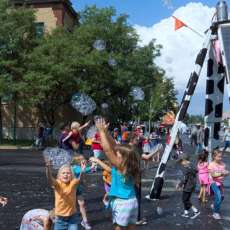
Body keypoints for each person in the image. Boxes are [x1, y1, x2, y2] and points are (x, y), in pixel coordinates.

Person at [95, 118, 140, 230]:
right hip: (133, 201)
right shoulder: (131, 164)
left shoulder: (120, 165)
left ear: (123, 157)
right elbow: (114, 146)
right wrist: (106, 133)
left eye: (118, 153)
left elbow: (108, 150)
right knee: (131, 227)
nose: (116, 153)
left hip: (121, 203)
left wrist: (100, 132)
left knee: (118, 228)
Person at [45, 159, 86, 230]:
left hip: (72, 217)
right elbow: (49, 179)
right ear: (59, 176)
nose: (66, 175)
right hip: (60, 219)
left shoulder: (73, 183)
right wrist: (48, 168)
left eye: (68, 173)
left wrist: (82, 170)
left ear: (71, 175)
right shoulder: (57, 184)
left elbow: (80, 179)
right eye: (63, 173)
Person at [72, 155, 95, 230]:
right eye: (82, 159)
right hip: (71, 189)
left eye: (84, 159)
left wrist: (91, 167)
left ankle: (85, 221)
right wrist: (92, 166)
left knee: (82, 204)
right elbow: (82, 170)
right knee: (71, 205)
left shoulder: (80, 167)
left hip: (78, 189)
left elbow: (84, 171)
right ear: (78, 161)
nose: (84, 160)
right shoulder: (75, 167)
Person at [176, 153, 200, 219]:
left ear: (184, 160)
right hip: (192, 185)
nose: (181, 163)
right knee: (187, 199)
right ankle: (186, 212)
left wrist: (179, 184)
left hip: (188, 186)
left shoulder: (187, 167)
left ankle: (196, 211)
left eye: (181, 162)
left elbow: (185, 179)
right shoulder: (192, 165)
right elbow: (196, 171)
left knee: (185, 200)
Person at [208, 149, 230, 220]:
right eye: (219, 157)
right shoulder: (211, 164)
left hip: (220, 183)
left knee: (222, 197)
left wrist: (227, 173)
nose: (220, 158)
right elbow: (213, 175)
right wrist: (222, 173)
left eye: (221, 157)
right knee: (219, 196)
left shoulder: (223, 164)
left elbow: (223, 173)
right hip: (213, 182)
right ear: (214, 157)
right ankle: (215, 213)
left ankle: (214, 205)